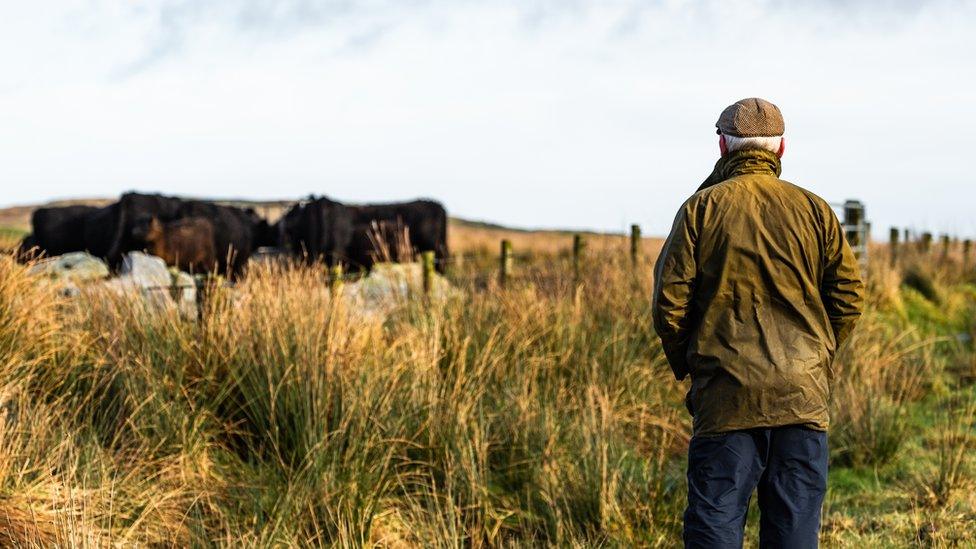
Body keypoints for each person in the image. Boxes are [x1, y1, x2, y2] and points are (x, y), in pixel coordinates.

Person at [652, 98, 865, 548]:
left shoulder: (700, 209)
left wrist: (695, 366)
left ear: (722, 147)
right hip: (802, 398)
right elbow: (848, 297)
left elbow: (669, 305)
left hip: (726, 399)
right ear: (781, 148)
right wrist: (817, 356)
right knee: (793, 533)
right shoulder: (816, 210)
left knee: (715, 529)